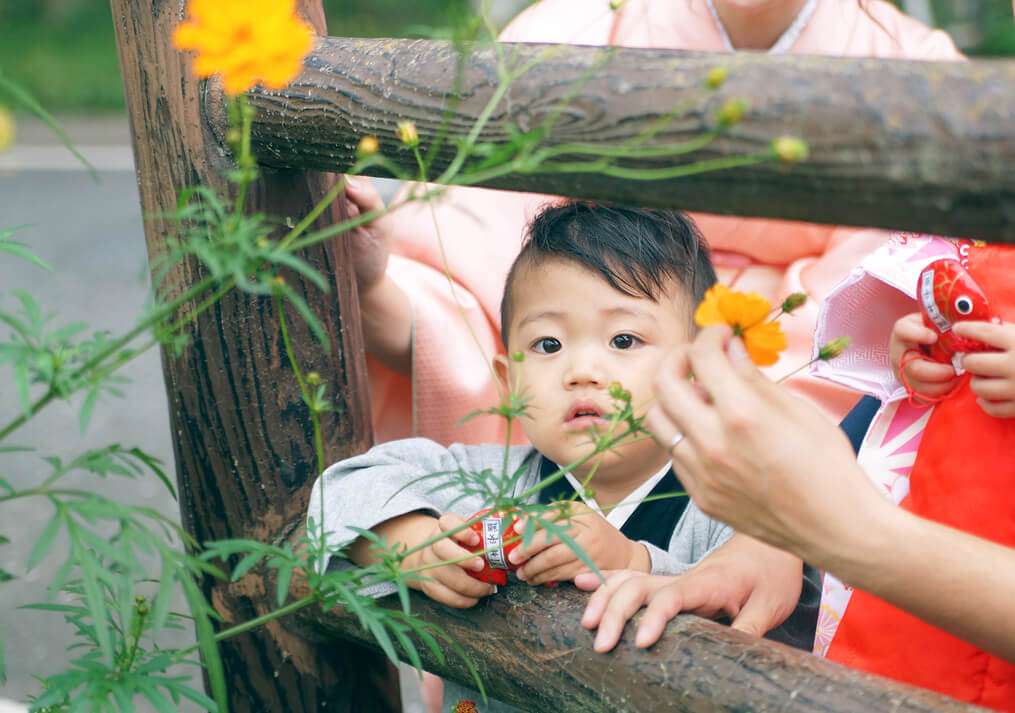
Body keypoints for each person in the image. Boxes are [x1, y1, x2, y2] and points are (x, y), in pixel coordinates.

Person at [345, 0, 964, 447]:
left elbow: (874, 298)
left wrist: (700, 379)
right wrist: (383, 295)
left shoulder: (917, 66)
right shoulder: (576, 29)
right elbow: (478, 246)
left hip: (773, 355)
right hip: (593, 337)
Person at [311, 203, 810, 711]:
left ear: (698, 375)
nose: (582, 370)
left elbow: (768, 603)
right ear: (507, 382)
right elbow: (340, 490)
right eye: (548, 344)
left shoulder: (723, 507)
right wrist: (414, 546)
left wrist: (631, 562)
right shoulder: (493, 476)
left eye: (623, 339)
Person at [576, 259, 1015, 709]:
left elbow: (845, 521)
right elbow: (874, 452)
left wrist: (841, 533)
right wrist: (761, 552)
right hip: (875, 654)